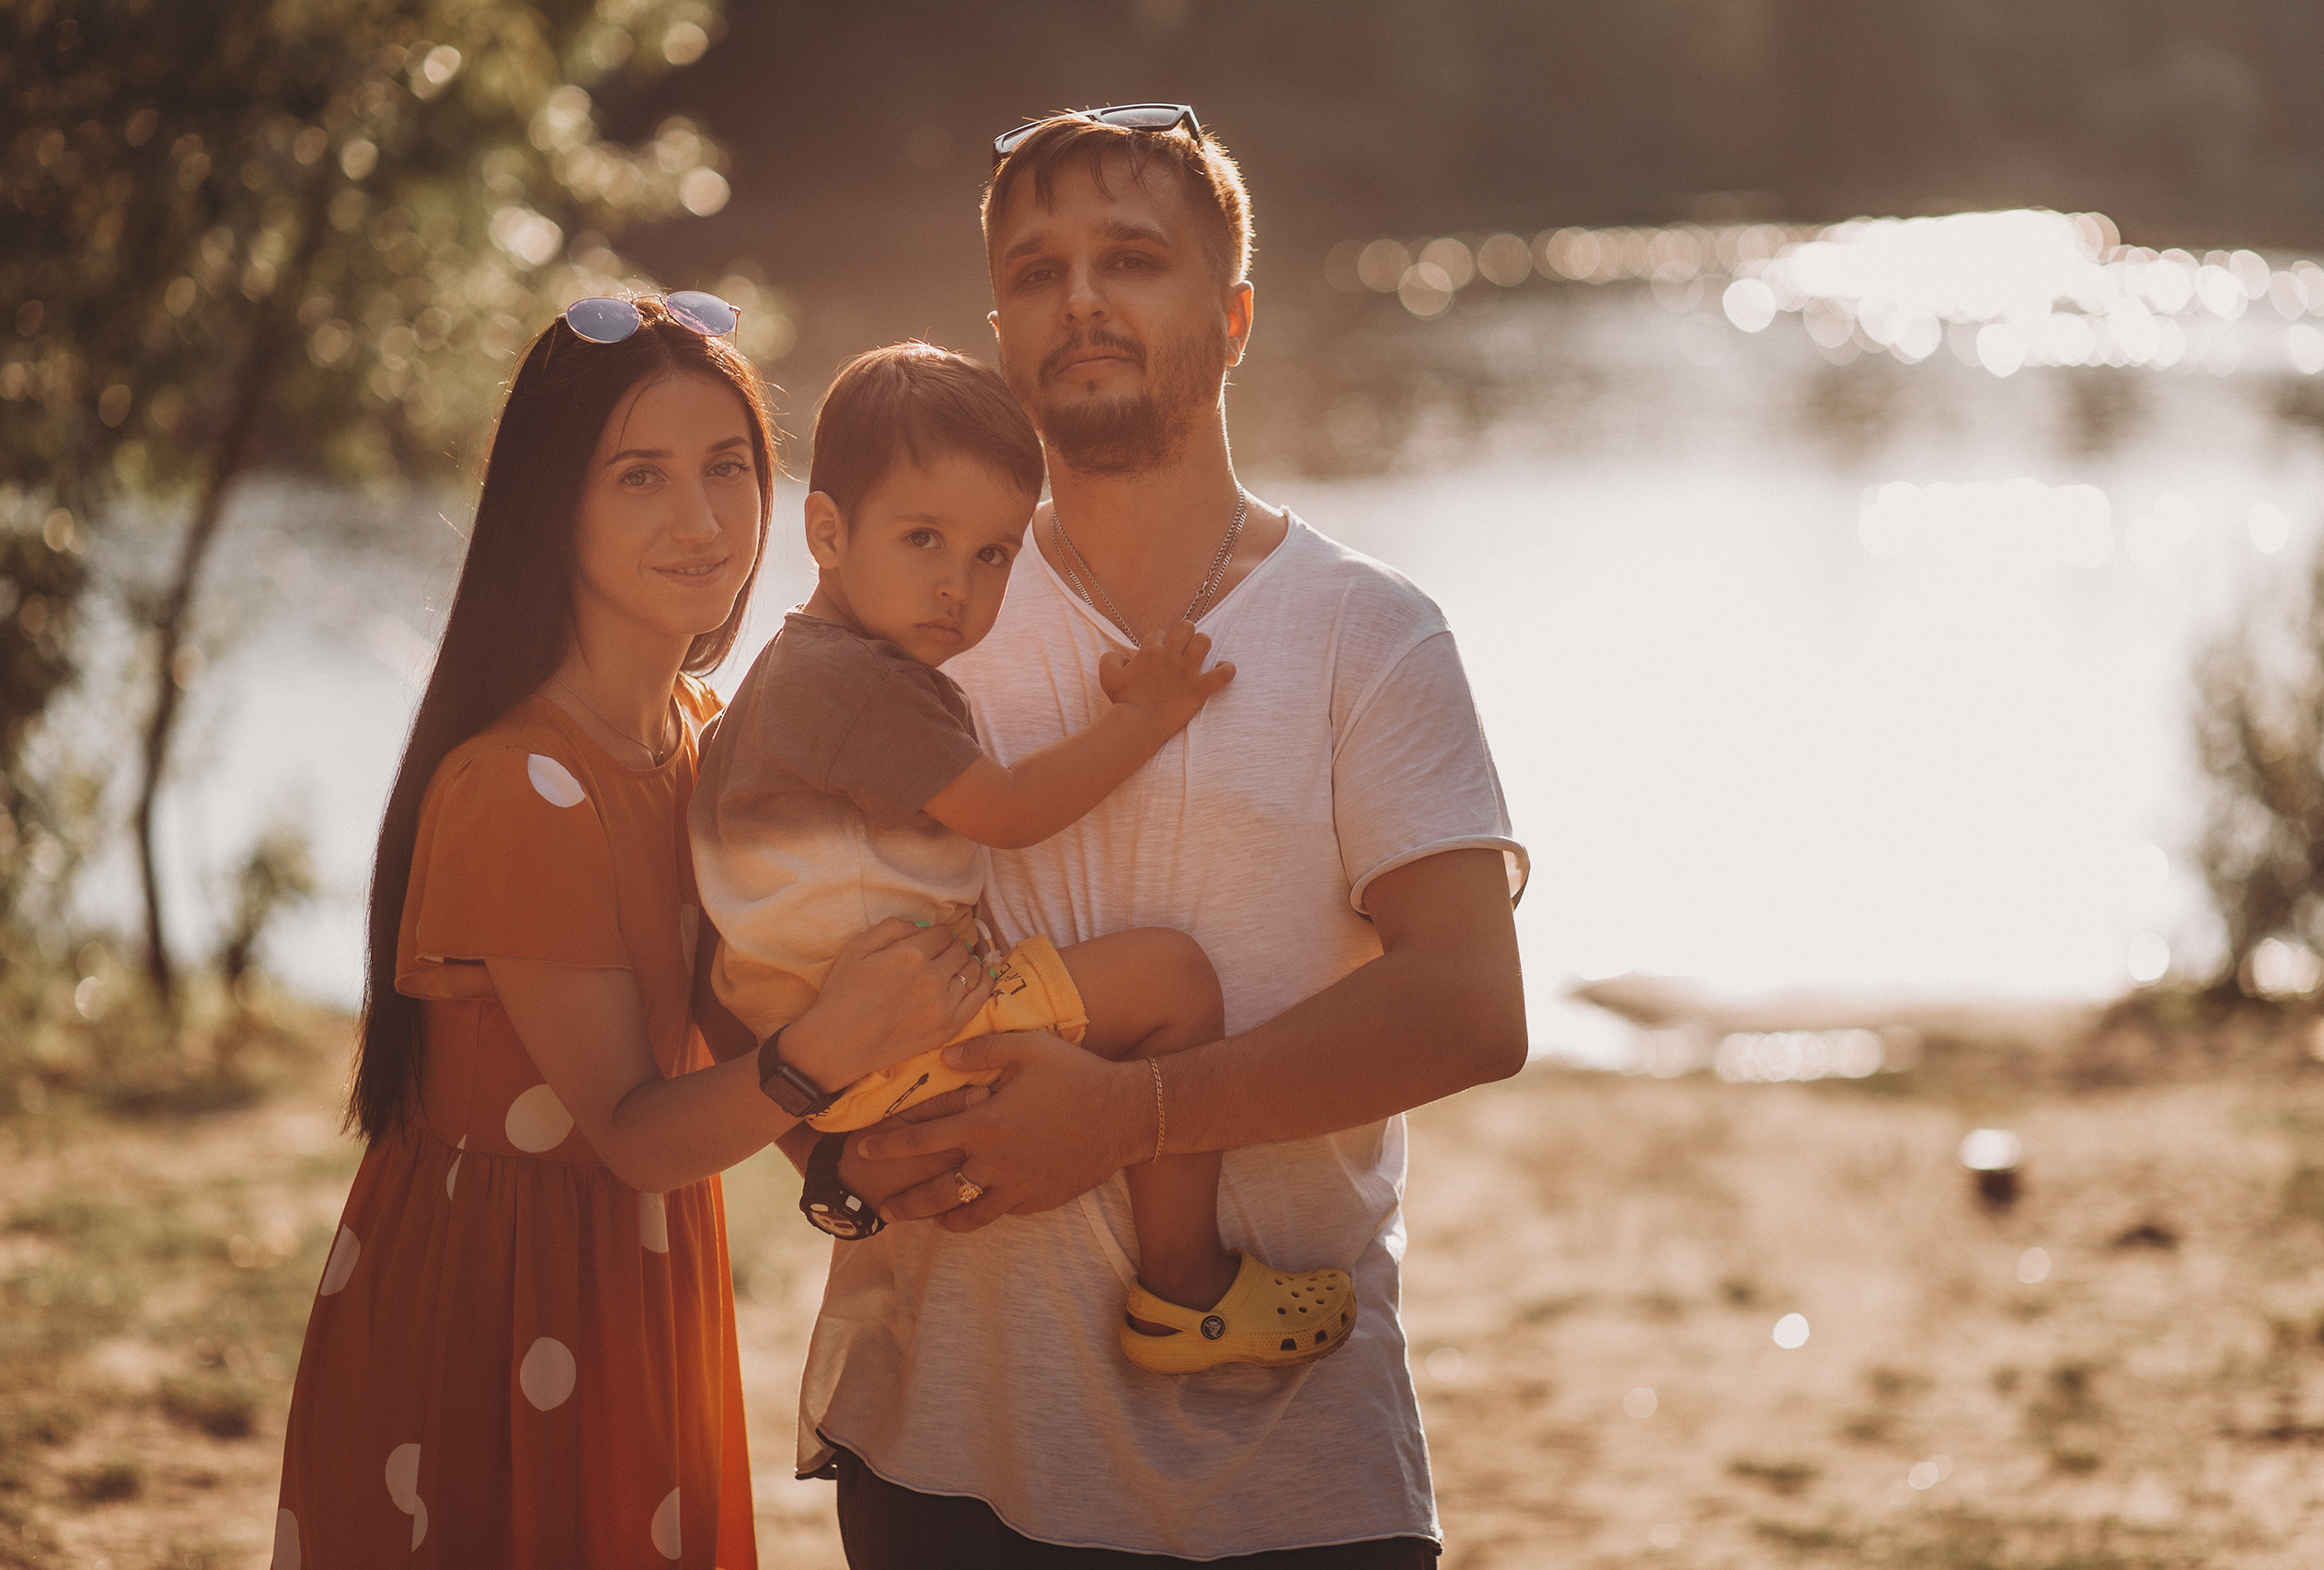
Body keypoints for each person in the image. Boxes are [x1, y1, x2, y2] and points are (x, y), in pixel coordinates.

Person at [777, 109, 1531, 1564]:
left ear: (1235, 317)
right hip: (949, 1455)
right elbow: (770, 939)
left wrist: (1133, 1119)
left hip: (1294, 1473)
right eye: (1037, 270)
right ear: (1001, 330)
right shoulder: (900, 635)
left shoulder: (1368, 635)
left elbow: (1471, 1006)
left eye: (1134, 259)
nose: (1081, 300)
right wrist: (828, 1155)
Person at [271, 293, 991, 1568]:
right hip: (502, 1309)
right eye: (641, 477)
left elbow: (721, 1017)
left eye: (728, 468)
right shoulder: (516, 785)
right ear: (554, 508)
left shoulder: (702, 735)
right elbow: (635, 1131)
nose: (702, 521)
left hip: (637, 1274)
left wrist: (836, 1161)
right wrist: (826, 1049)